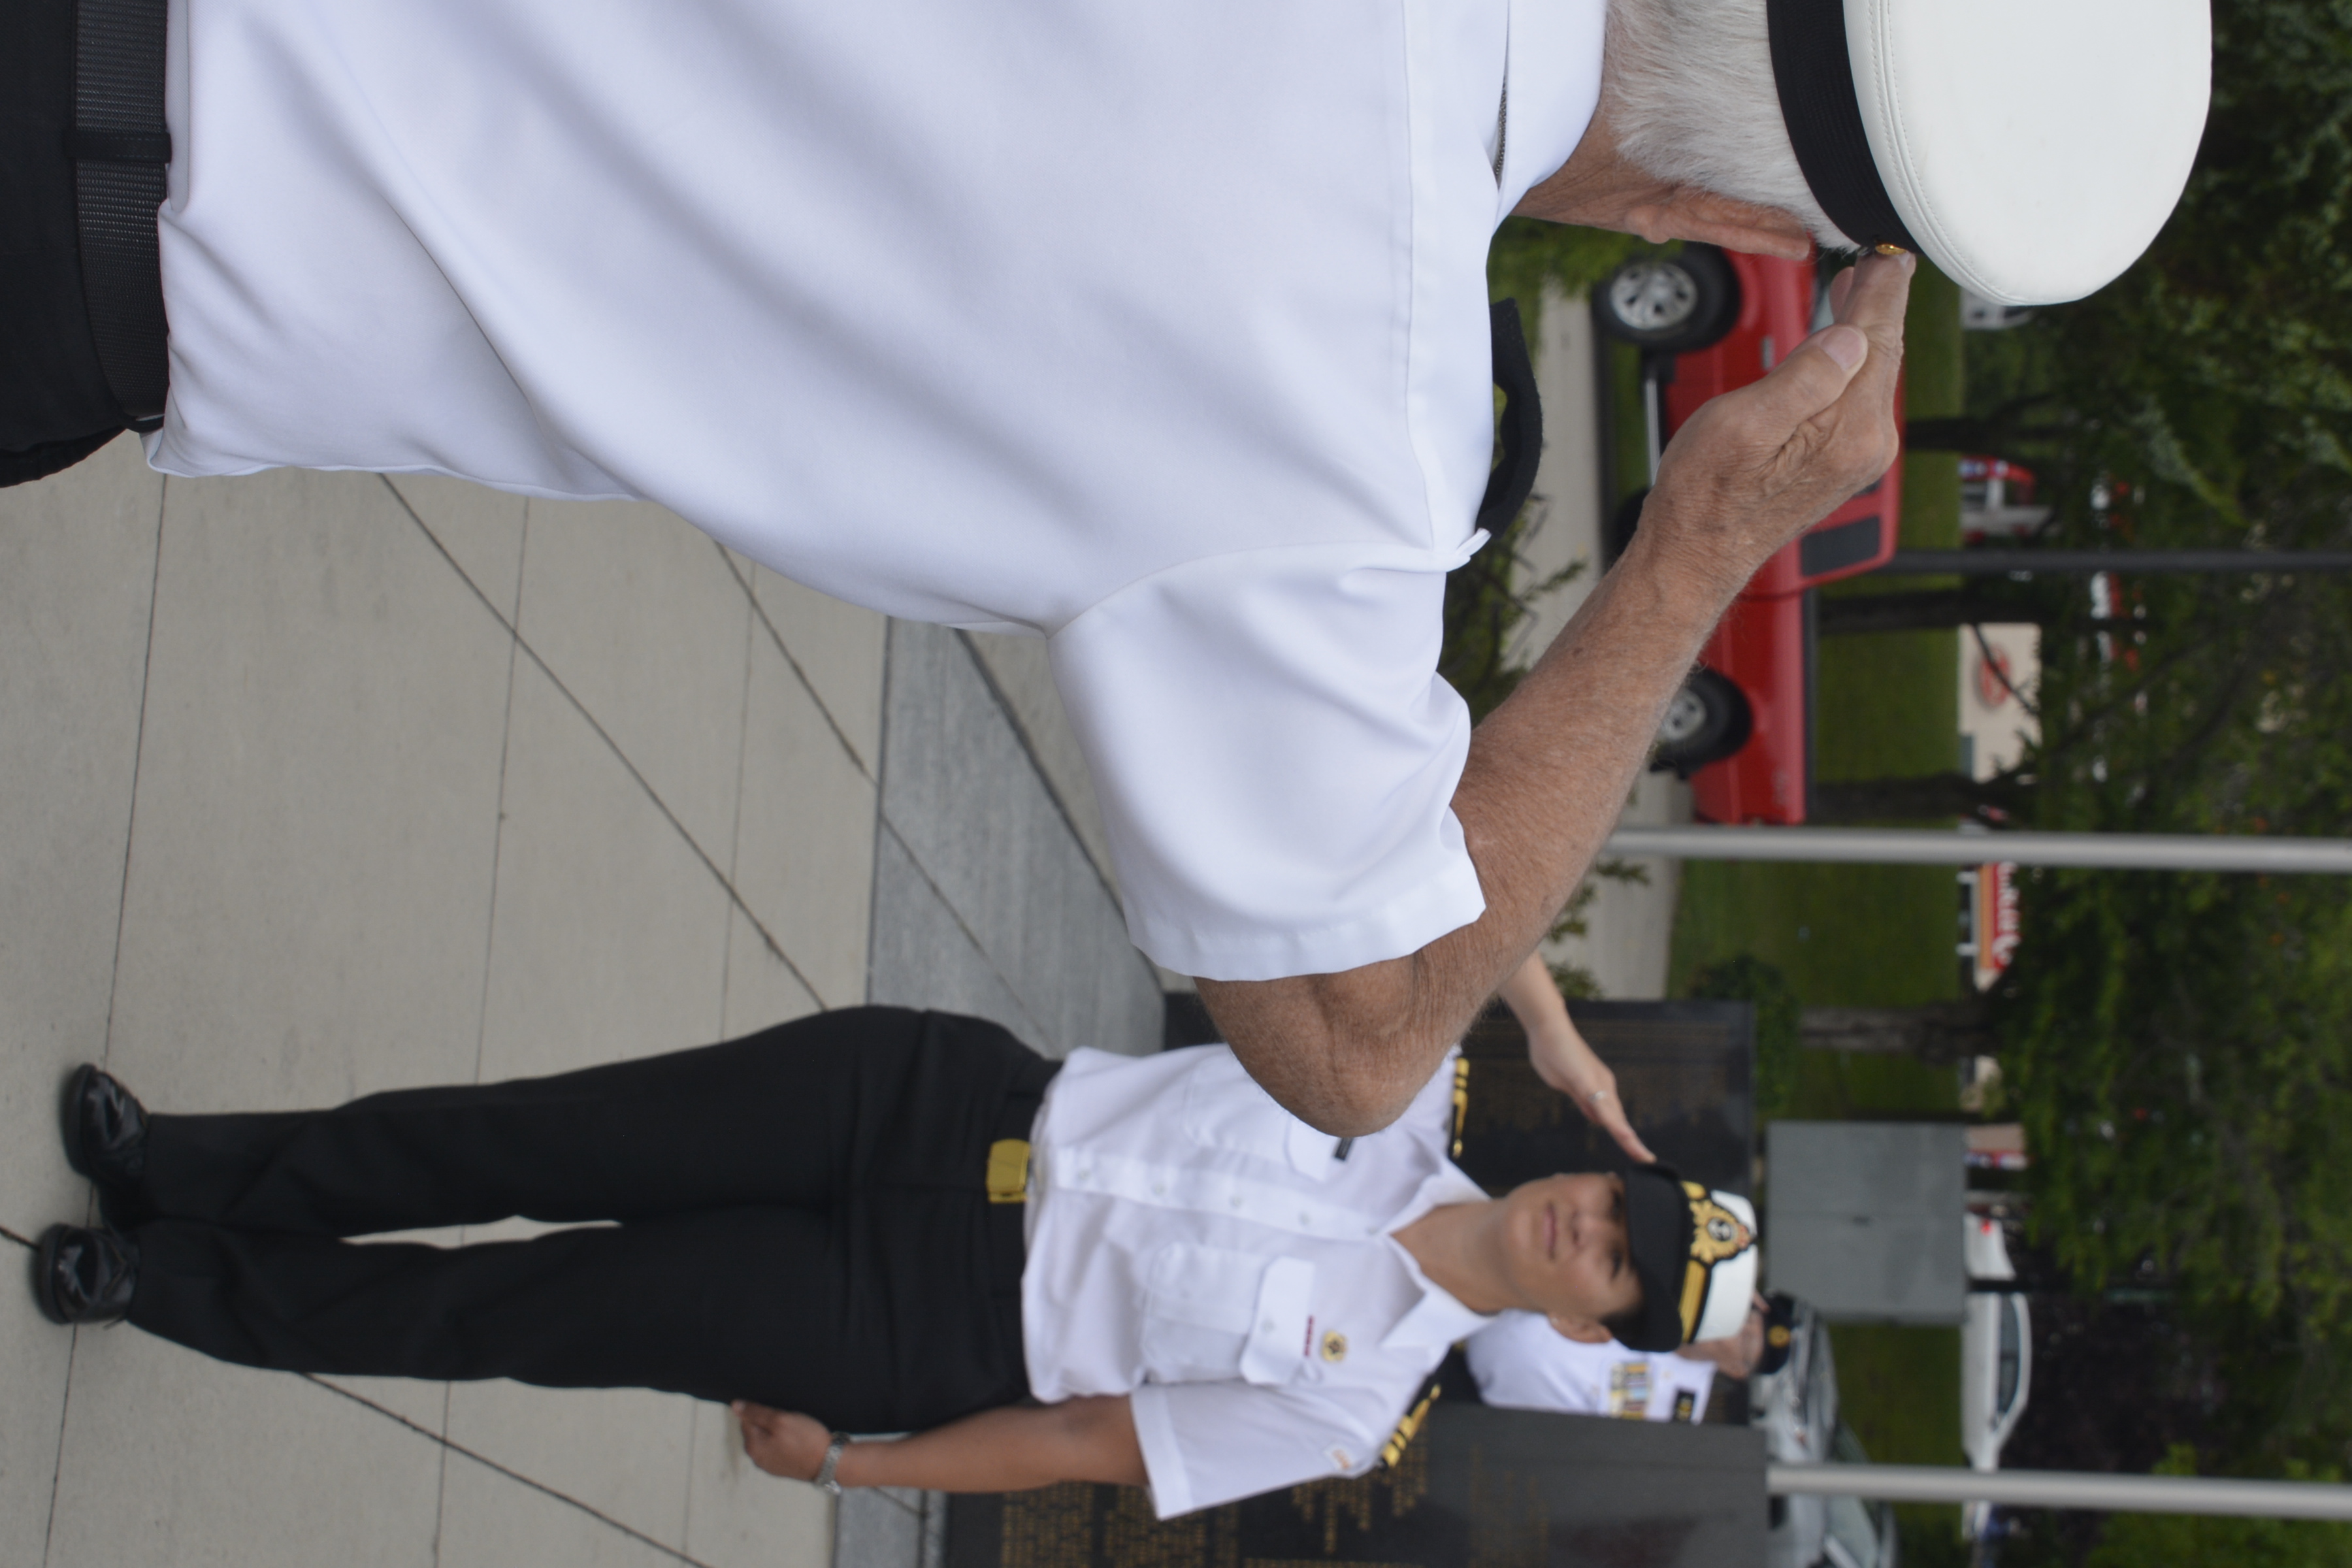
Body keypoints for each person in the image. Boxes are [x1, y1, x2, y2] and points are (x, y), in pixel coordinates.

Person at [5, 0, 2210, 1134]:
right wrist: (1694, 549)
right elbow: (1354, 1042)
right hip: (109, 225)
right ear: (1754, 231)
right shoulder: (1342, 431)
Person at [31, 1003, 1758, 1516]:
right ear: (1598, 1166)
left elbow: (1089, 1443)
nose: (1588, 1233)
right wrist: (1553, 1021)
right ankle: (182, 1167)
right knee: (518, 1135)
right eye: (1620, 1206)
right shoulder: (1388, 1078)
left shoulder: (1355, 1402)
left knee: (525, 1306)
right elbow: (1446, 843)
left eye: (1615, 1269)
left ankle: (176, 1288)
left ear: (1596, 1323)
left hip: (913, 1320)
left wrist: (854, 1463)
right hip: (926, 1102)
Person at [1465, 1292, 1786, 1424]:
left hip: (1468, 1400)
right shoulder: (1666, 1293)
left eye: (1744, 1338)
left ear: (1735, 1369)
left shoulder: (1679, 1415)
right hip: (1472, 1309)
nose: (1733, 1325)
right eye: (1743, 1315)